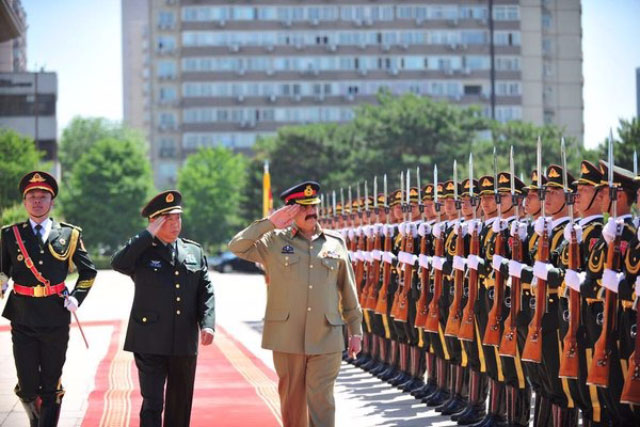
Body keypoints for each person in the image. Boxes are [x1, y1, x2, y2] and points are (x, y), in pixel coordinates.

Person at [228, 180, 363, 427]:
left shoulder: (335, 243)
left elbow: (348, 289)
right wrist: (270, 223)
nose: (312, 211)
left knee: (322, 399)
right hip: (287, 336)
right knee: (293, 402)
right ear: (290, 211)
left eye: (314, 206)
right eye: (303, 207)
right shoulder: (273, 242)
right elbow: (237, 246)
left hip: (327, 334)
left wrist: (356, 331)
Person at [111, 190, 215, 427]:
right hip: (149, 340)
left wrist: (207, 323)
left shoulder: (194, 252)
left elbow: (205, 291)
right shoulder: (142, 250)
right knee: (153, 402)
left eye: (178, 218)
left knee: (180, 403)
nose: (175, 224)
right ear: (154, 221)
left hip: (183, 340)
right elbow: (118, 263)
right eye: (168, 219)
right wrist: (147, 235)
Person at [0, 171, 97, 427]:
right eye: (31, 196)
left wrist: (77, 297)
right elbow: (2, 270)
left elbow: (89, 271)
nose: (37, 201)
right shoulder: (11, 235)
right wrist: (1, 284)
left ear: (51, 201)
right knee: (28, 384)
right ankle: (36, 421)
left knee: (51, 382)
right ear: (24, 201)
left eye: (43, 196)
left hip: (55, 317)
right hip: (22, 316)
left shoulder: (69, 234)